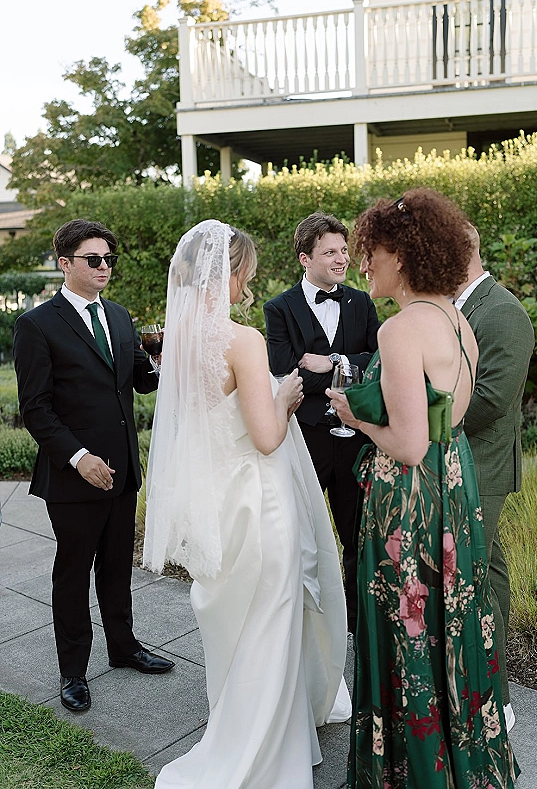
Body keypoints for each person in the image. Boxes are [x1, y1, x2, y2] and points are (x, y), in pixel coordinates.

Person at [143, 220, 351, 789]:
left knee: (234, 618)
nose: (248, 286)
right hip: (259, 502)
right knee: (272, 617)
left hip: (216, 501)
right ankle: (264, 748)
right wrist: (284, 396)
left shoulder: (178, 338)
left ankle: (241, 722)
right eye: (246, 275)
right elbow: (265, 437)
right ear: (228, 273)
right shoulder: (243, 340)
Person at [328, 190, 519, 788]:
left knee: (408, 629)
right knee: (449, 622)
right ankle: (460, 763)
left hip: (408, 501)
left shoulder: (400, 329)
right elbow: (448, 422)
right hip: (453, 488)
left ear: (404, 256)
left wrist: (356, 417)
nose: (365, 264)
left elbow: (409, 446)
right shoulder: (457, 321)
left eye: (374, 252)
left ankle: (411, 773)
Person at [13, 219, 174, 714]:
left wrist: (164, 358)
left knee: (117, 568)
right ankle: (73, 671)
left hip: (122, 469)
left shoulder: (120, 316)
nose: (105, 267)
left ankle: (124, 648)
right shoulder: (37, 325)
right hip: (73, 475)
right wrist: (79, 458)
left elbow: (140, 380)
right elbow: (36, 409)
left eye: (109, 259)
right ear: (65, 263)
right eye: (94, 259)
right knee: (73, 573)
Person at [264, 212, 380, 633]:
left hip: (355, 438)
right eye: (330, 252)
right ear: (305, 258)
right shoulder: (279, 308)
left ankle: (355, 621)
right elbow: (284, 371)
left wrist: (333, 361)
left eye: (344, 250)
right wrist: (348, 370)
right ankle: (305, 621)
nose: (342, 259)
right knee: (304, 534)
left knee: (357, 534)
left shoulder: (361, 303)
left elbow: (378, 362)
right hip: (307, 437)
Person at [455, 226, 535, 732]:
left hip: (482, 463)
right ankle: (495, 694)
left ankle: (493, 701)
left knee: (474, 582)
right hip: (463, 460)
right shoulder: (460, 306)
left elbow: (491, 399)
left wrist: (421, 421)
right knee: (490, 575)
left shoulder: (503, 311)